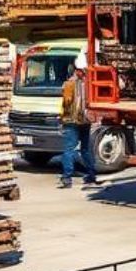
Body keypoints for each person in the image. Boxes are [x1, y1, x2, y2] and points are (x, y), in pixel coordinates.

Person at [59, 52, 98, 189]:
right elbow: (67, 102)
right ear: (78, 70)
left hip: (77, 121)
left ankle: (83, 175)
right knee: (77, 149)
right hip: (77, 121)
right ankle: (71, 177)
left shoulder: (72, 84)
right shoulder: (75, 84)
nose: (84, 73)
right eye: (83, 71)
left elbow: (65, 102)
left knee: (79, 149)